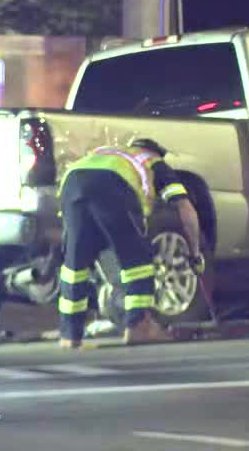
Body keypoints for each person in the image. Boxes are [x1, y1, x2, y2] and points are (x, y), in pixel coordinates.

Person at [55, 137, 204, 349]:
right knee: (138, 262)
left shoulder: (108, 152)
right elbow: (184, 208)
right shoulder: (154, 162)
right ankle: (138, 326)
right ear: (156, 152)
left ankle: (70, 334)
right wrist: (195, 254)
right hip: (111, 184)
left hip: (71, 183)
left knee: (75, 264)